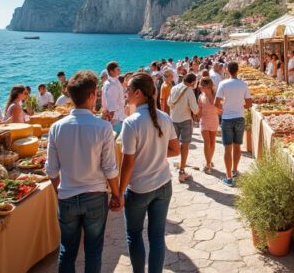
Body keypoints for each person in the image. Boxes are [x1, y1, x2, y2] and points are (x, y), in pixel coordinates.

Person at [45, 71, 121, 273]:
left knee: (67, 251)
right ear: (91, 95)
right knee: (93, 251)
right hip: (95, 197)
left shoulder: (56, 128)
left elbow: (51, 170)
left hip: (67, 196)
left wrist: (60, 192)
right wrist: (116, 194)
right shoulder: (103, 127)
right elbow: (110, 169)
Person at [119, 73, 179, 273]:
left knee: (134, 235)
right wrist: (156, 155)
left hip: (139, 189)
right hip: (163, 184)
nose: (125, 93)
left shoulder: (131, 123)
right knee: (157, 236)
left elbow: (127, 164)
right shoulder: (164, 117)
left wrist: (118, 193)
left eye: (127, 89)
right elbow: (175, 150)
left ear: (137, 93)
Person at [215, 62, 252, 187]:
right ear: (238, 70)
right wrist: (239, 106)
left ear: (227, 70)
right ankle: (235, 170)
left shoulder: (223, 83)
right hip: (239, 117)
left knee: (227, 148)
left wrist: (223, 108)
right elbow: (249, 104)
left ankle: (229, 177)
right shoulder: (243, 84)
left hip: (227, 118)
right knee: (237, 146)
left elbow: (216, 102)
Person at [168, 73, 200, 183]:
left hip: (173, 119)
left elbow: (169, 102)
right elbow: (195, 109)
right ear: (192, 82)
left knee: (171, 145)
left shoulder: (174, 88)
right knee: (185, 145)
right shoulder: (189, 91)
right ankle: (182, 171)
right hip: (185, 120)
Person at [197, 77, 220, 173]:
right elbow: (199, 111)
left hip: (213, 120)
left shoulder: (216, 96)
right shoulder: (201, 96)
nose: (199, 87)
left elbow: (220, 110)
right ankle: (208, 163)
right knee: (207, 142)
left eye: (200, 85)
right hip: (204, 121)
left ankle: (209, 160)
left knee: (212, 142)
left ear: (205, 86)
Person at [101, 61, 126, 135]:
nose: (120, 70)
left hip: (118, 116)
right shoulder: (112, 85)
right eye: (117, 69)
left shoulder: (110, 82)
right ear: (111, 72)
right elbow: (111, 106)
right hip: (116, 118)